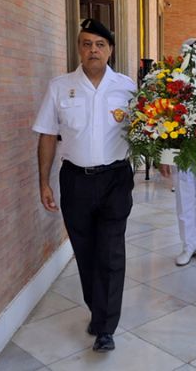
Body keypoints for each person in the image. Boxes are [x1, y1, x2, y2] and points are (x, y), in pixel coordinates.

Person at [32, 19, 135, 352]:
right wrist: (43, 181)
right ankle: (98, 308)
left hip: (116, 179)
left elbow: (148, 130)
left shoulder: (127, 87)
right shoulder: (60, 87)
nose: (94, 50)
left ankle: (106, 327)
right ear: (78, 48)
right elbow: (48, 135)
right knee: (86, 253)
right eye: (87, 44)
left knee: (111, 252)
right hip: (75, 180)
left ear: (111, 50)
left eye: (100, 44)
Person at [158, 38, 196, 267]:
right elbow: (164, 121)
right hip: (182, 153)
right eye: (190, 56)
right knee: (184, 201)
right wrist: (164, 156)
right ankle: (187, 245)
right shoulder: (174, 85)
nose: (194, 61)